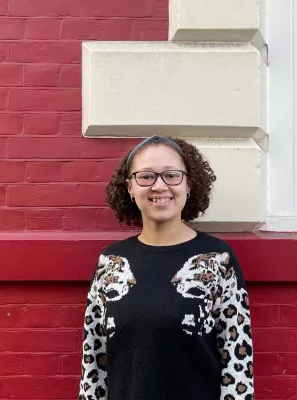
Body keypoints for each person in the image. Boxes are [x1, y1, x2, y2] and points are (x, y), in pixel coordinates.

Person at [78, 135, 254, 400]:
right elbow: (93, 360)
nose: (159, 186)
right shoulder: (111, 263)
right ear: (129, 187)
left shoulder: (218, 260)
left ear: (189, 184)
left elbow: (237, 363)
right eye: (146, 176)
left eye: (172, 175)